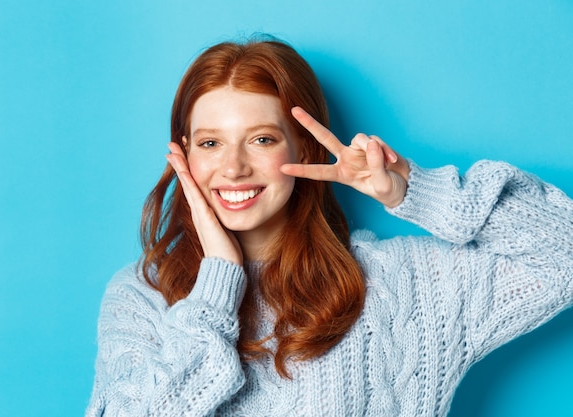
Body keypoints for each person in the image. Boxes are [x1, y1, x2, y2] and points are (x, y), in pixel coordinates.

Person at [85, 37, 573, 417]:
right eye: (211, 143)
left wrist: (414, 192)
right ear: (184, 152)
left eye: (261, 139)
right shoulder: (142, 297)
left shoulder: (407, 285)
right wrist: (216, 286)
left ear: (305, 148)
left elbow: (563, 255)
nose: (232, 168)